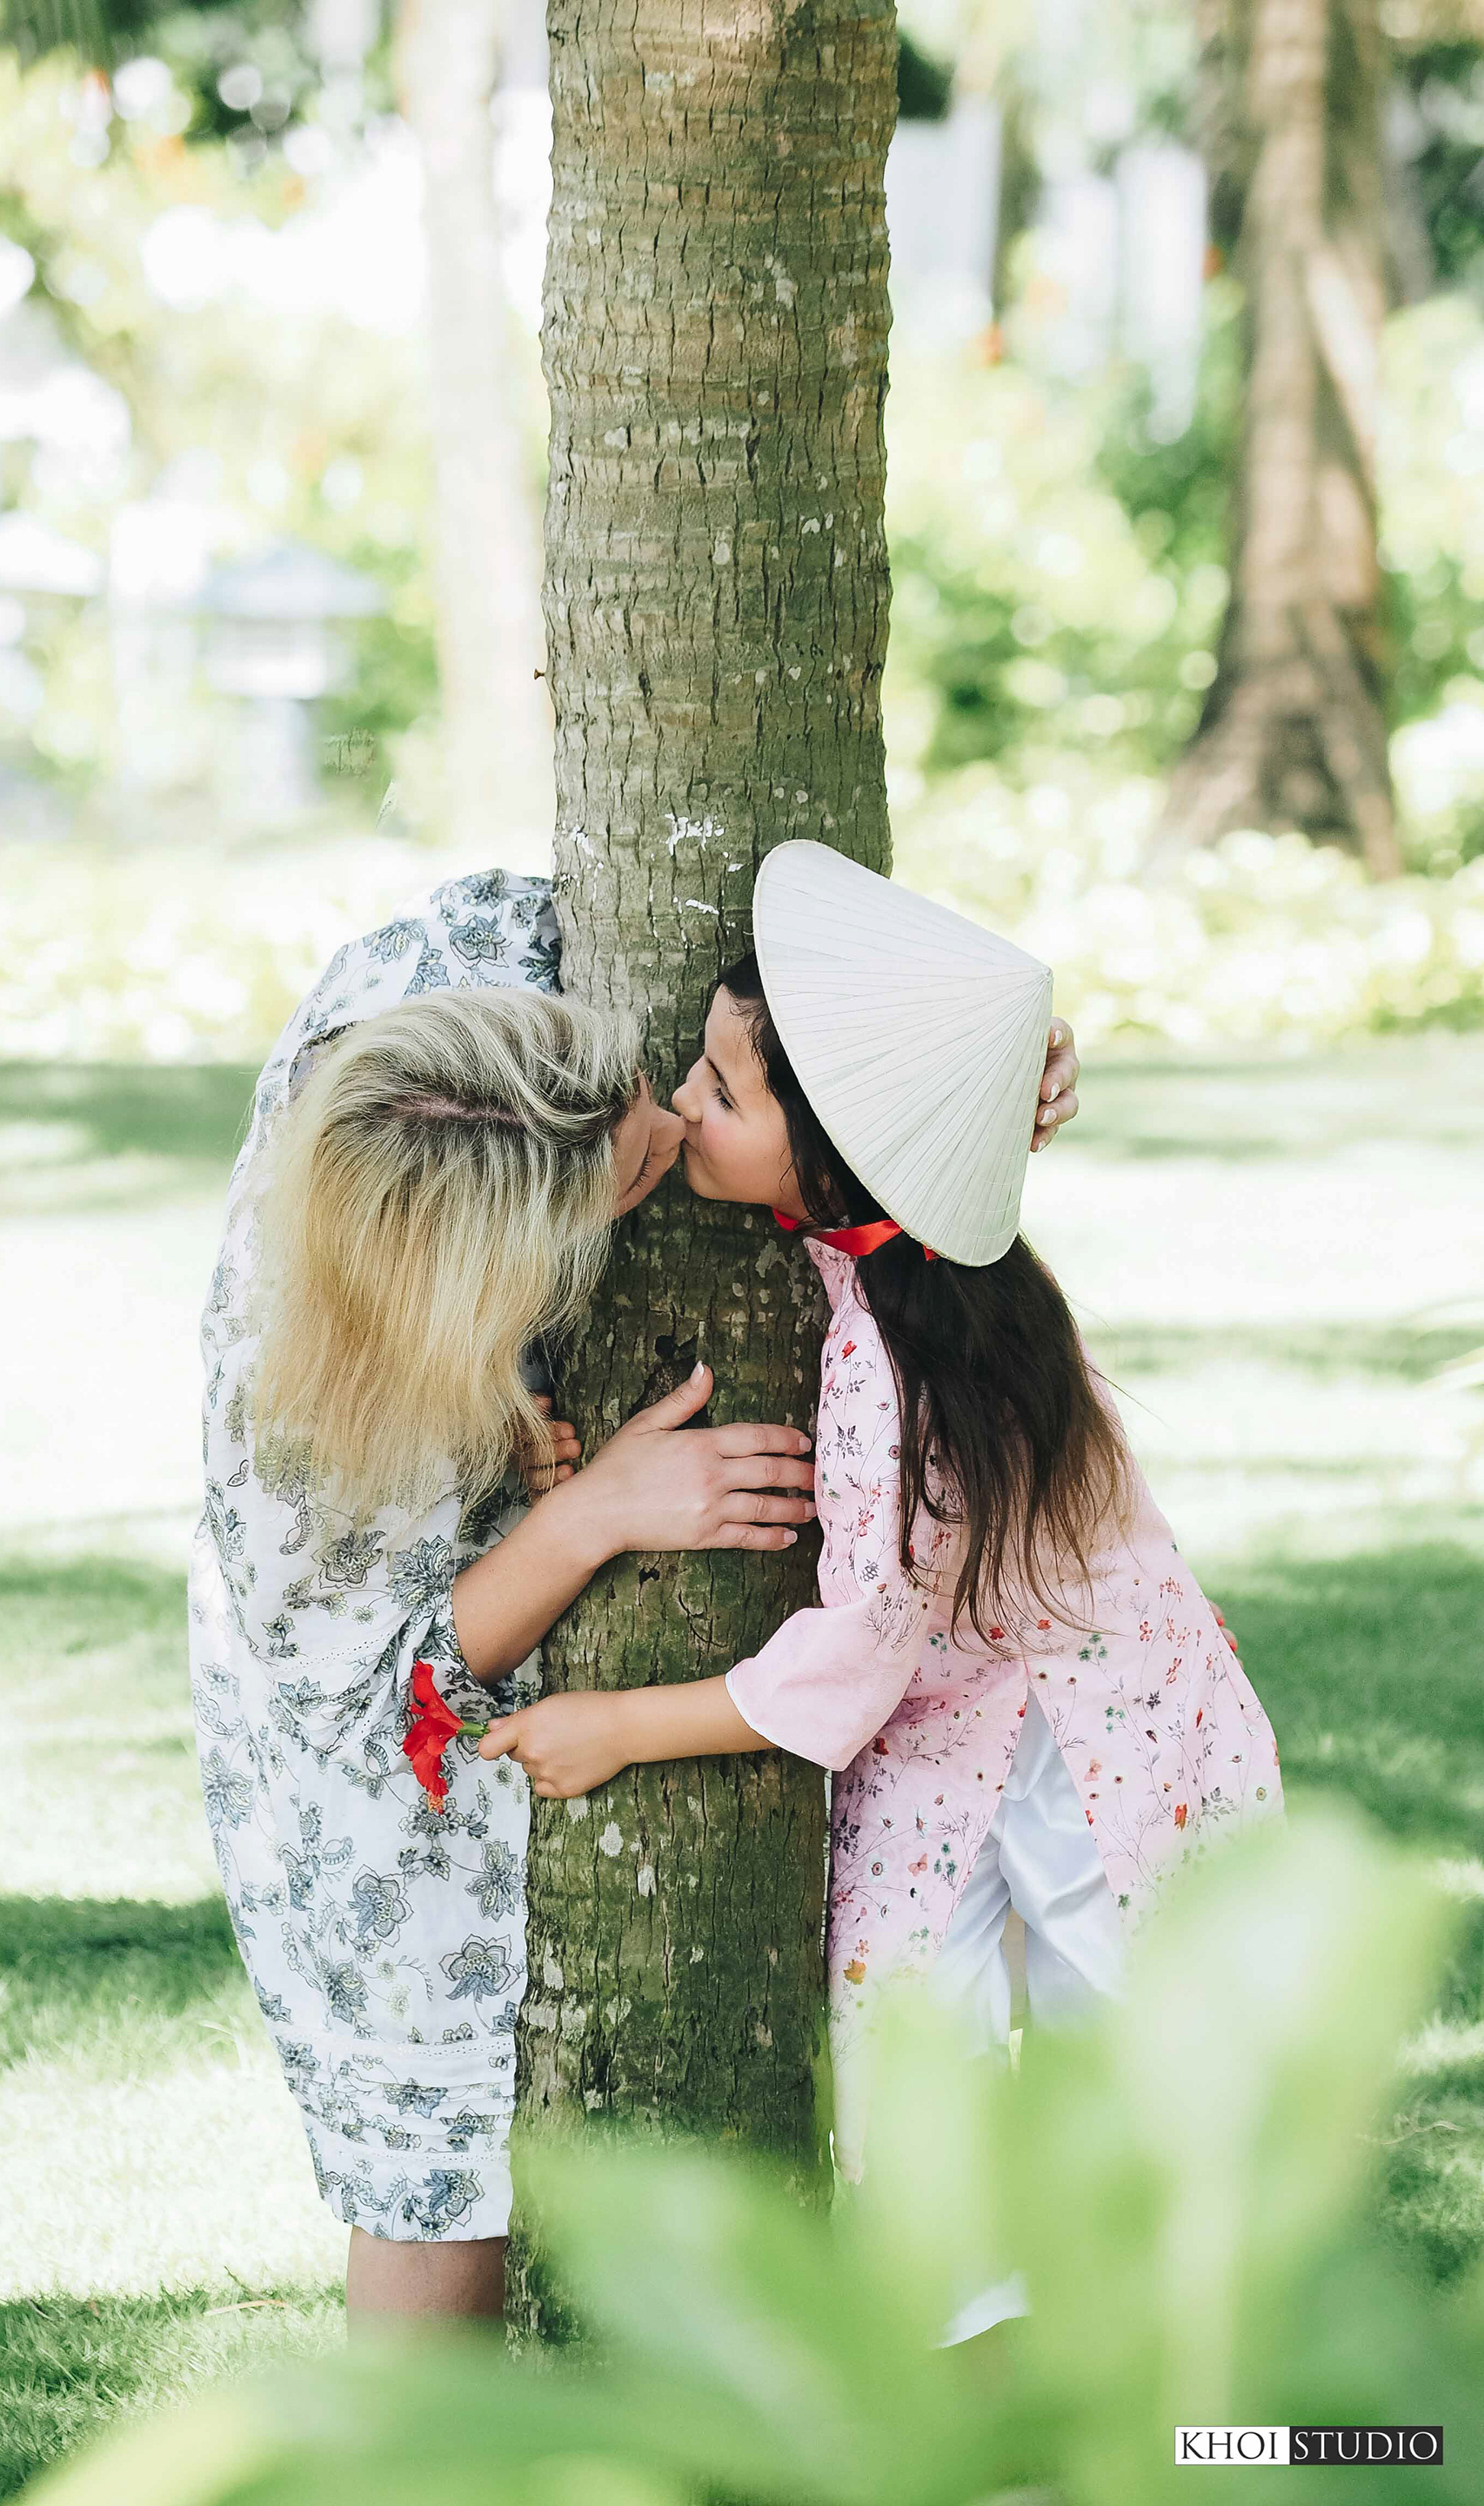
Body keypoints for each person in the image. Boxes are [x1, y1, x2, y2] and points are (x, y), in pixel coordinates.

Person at [480, 844, 1282, 2341]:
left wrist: (615, 1727)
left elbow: (850, 1664)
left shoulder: (888, 1376)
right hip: (969, 1757)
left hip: (1111, 1763)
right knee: (938, 2137)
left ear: (838, 1157)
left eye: (723, 1093)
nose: (681, 1102)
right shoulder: (924, 1265)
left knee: (1148, 2155)